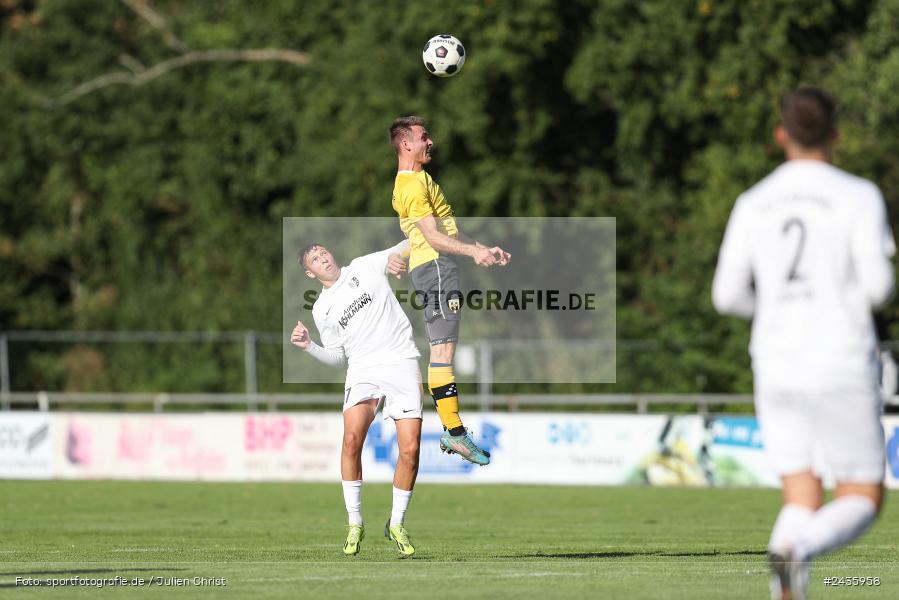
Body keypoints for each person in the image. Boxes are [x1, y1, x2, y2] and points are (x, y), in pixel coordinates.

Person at [712, 86, 895, 600]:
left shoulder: (754, 201)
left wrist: (775, 309)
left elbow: (727, 296)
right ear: (835, 133)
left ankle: (789, 573)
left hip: (774, 360)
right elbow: (880, 287)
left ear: (780, 135)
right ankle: (799, 550)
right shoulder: (858, 195)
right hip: (838, 357)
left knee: (800, 496)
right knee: (862, 497)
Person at [389, 115, 511, 466]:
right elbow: (431, 238)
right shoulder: (412, 185)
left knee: (444, 351)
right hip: (436, 269)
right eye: (423, 137)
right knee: (441, 353)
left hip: (438, 268)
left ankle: (453, 431)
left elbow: (446, 232)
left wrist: (482, 248)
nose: (431, 142)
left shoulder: (419, 180)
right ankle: (454, 433)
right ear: (405, 144)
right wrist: (473, 253)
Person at [290, 240, 421, 557]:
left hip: (401, 361)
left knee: (411, 449)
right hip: (363, 370)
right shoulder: (322, 309)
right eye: (316, 259)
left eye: (324, 252)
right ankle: (355, 523)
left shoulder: (364, 265)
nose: (323, 258)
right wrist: (310, 346)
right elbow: (338, 357)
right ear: (310, 273)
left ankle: (397, 523)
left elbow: (406, 245)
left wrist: (398, 255)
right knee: (351, 441)